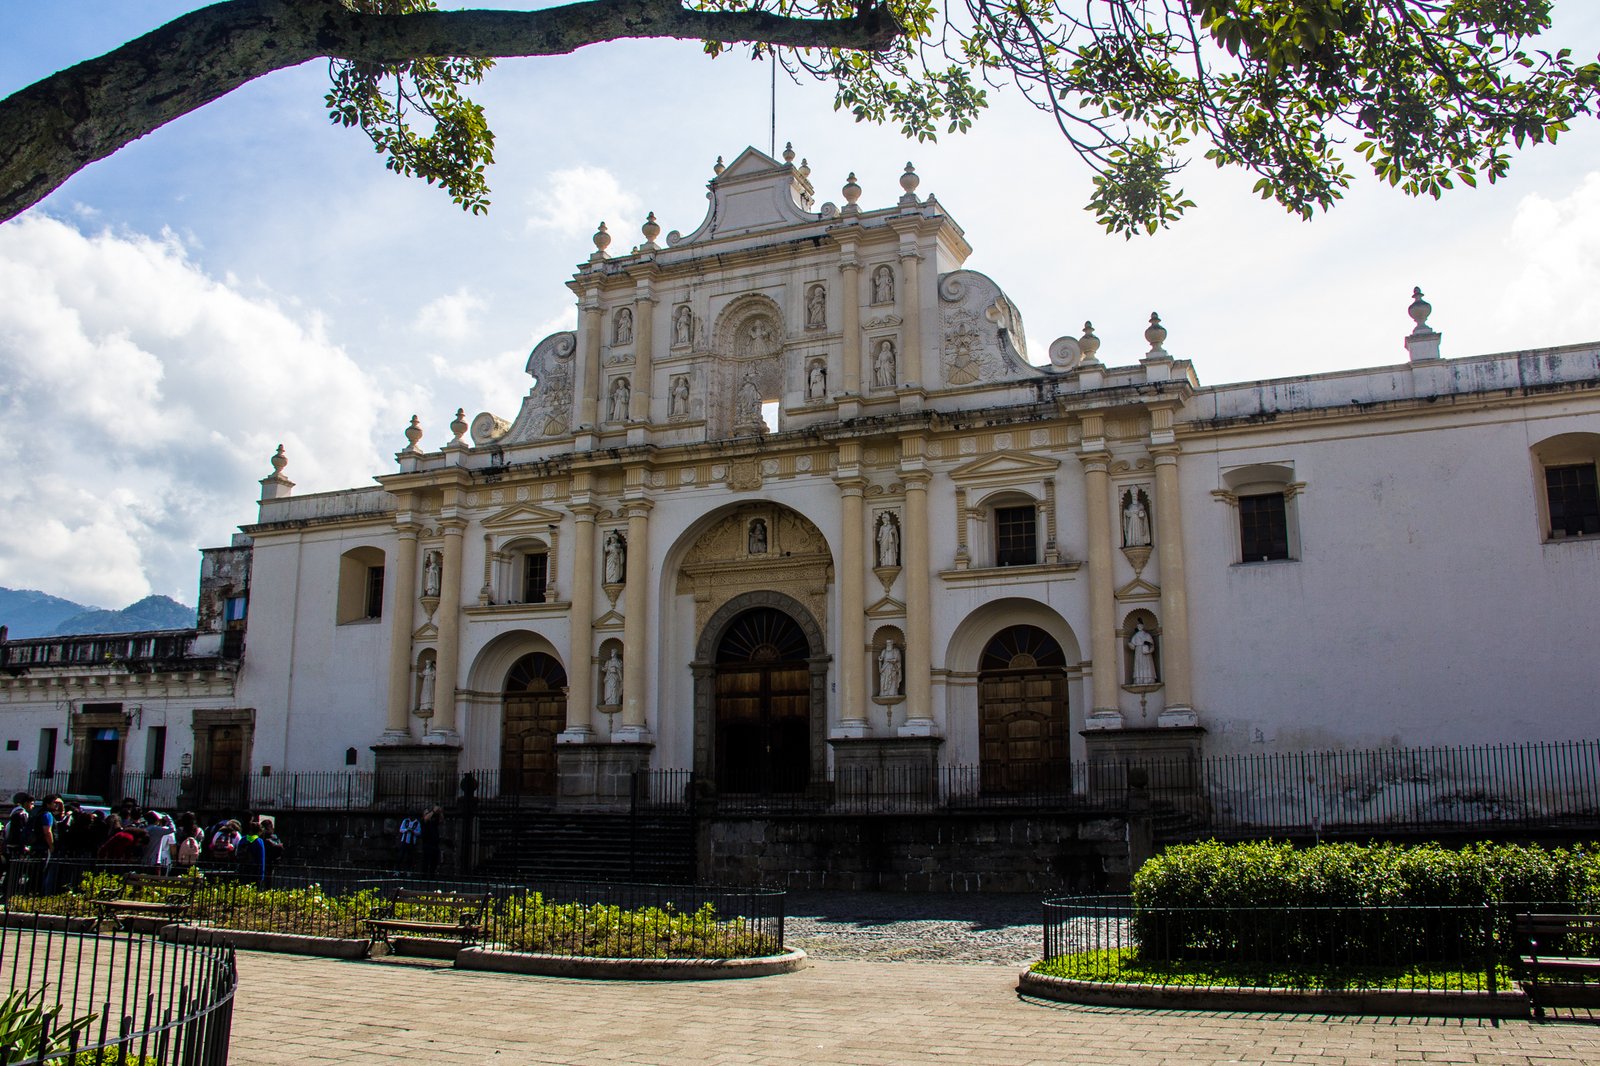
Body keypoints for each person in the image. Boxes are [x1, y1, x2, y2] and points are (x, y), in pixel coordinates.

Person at [236, 819, 268, 887]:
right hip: (254, 871)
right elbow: (261, 859)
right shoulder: (258, 841)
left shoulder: (243, 839)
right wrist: (261, 876)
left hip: (243, 869)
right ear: (259, 831)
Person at [420, 806, 443, 877]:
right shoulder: (423, 821)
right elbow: (426, 818)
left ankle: (432, 875)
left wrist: (440, 812)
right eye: (426, 813)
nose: (428, 814)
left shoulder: (433, 822)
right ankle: (424, 876)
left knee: (434, 861)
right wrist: (433, 811)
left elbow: (441, 820)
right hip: (427, 844)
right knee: (426, 861)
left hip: (435, 844)